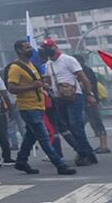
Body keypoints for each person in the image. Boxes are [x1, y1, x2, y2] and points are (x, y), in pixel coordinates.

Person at [5, 39, 73, 176]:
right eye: (26, 47)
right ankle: (60, 164)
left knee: (31, 136)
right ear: (19, 50)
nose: (30, 49)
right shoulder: (15, 68)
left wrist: (42, 85)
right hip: (28, 107)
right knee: (44, 136)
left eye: (30, 47)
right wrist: (33, 86)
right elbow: (11, 88)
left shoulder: (31, 64)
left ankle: (21, 161)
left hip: (38, 105)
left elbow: (37, 82)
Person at [38, 38, 98, 166]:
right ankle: (88, 153)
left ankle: (83, 153)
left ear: (55, 47)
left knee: (75, 125)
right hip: (59, 98)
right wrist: (45, 84)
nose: (47, 50)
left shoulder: (68, 60)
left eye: (48, 47)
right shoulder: (49, 64)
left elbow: (84, 78)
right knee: (69, 126)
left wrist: (90, 94)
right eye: (44, 48)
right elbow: (48, 80)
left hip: (74, 96)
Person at [77, 58, 111, 153]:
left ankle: (104, 145)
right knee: (85, 123)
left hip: (89, 100)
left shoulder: (85, 71)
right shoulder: (82, 70)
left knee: (95, 122)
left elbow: (88, 84)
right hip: (84, 101)